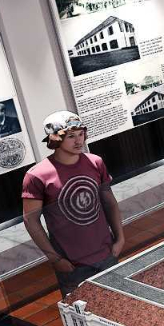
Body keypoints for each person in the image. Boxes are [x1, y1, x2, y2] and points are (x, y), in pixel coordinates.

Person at [22, 111, 125, 297]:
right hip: (72, 264)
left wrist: (120, 238)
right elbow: (31, 220)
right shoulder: (37, 175)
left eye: (80, 134)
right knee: (80, 310)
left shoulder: (95, 162)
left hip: (106, 252)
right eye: (71, 136)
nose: (78, 141)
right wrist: (55, 259)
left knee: (119, 302)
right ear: (55, 139)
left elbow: (109, 202)